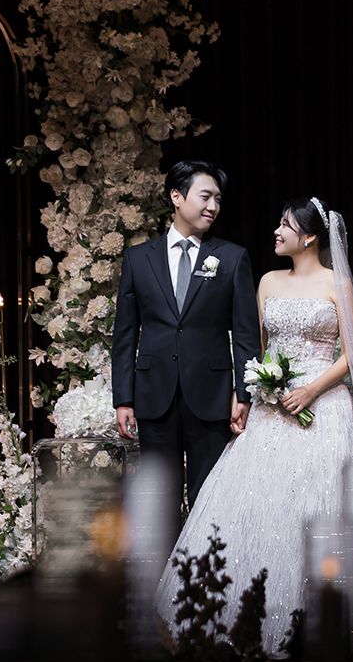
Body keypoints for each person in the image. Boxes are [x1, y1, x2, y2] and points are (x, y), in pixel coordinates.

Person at [155, 195, 353, 654]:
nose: (276, 231)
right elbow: (257, 348)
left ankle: (334, 621)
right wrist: (258, 388)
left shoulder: (337, 283)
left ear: (310, 236)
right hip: (271, 410)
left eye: (285, 225)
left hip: (326, 406)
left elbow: (351, 355)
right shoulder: (268, 282)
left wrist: (310, 391)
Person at [111, 160, 261, 525]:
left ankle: (205, 563)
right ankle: (164, 565)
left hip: (211, 396)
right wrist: (123, 399)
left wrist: (244, 394)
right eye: (205, 196)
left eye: (218, 199)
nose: (213, 206)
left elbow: (245, 334)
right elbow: (125, 334)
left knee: (209, 500)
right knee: (157, 504)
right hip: (154, 396)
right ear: (177, 197)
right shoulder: (138, 259)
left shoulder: (231, 257)